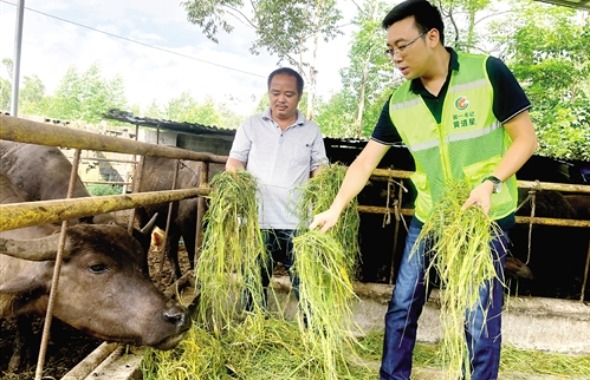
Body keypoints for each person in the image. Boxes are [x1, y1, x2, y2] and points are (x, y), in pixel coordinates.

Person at [309, 1, 538, 379]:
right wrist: (336, 207)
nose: (396, 57)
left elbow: (525, 139)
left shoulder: (486, 72)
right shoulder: (400, 103)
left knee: (477, 312)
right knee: (402, 304)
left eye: (402, 45)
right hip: (430, 217)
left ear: (432, 36)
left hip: (482, 217)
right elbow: (366, 161)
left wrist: (491, 182)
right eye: (390, 50)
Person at [226, 67, 328, 311]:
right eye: (276, 93)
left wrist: (321, 192)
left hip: (299, 223)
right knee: (253, 281)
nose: (281, 99)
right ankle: (253, 331)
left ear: (299, 96)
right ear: (269, 93)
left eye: (289, 94)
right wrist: (238, 181)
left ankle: (312, 335)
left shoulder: (312, 131)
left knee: (305, 284)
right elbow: (235, 161)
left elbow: (320, 168)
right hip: (258, 221)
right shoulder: (251, 125)